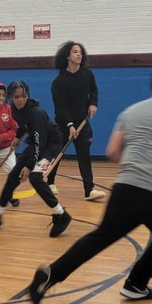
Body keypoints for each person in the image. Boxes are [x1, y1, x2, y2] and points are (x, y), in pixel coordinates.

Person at [27, 64, 152, 304]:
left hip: (125, 190)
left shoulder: (130, 112)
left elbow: (112, 152)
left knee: (99, 237)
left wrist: (136, 169)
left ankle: (51, 274)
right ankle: (136, 284)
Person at [0, 81, 72, 238]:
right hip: (37, 144)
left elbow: (40, 143)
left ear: (27, 95)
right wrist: (18, 136)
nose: (20, 100)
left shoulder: (35, 113)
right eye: (16, 97)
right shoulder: (15, 110)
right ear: (11, 97)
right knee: (12, 177)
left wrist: (29, 167)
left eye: (23, 96)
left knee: (35, 177)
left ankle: (61, 215)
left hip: (50, 145)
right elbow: (24, 125)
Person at [47, 40, 106, 202]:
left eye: (80, 51)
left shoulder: (87, 74)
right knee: (57, 153)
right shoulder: (58, 82)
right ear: (67, 55)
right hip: (63, 123)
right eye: (75, 51)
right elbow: (61, 107)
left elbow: (94, 91)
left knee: (84, 156)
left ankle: (89, 190)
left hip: (83, 122)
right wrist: (69, 125)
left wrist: (93, 103)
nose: (79, 54)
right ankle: (50, 182)